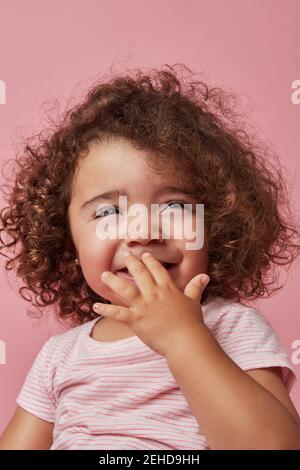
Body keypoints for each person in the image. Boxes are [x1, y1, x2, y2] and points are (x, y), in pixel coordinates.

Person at [0, 64, 300, 450]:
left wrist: (182, 338)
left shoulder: (230, 327)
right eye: (109, 213)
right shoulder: (60, 356)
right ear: (66, 240)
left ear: (217, 227)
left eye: (174, 206)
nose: (143, 231)